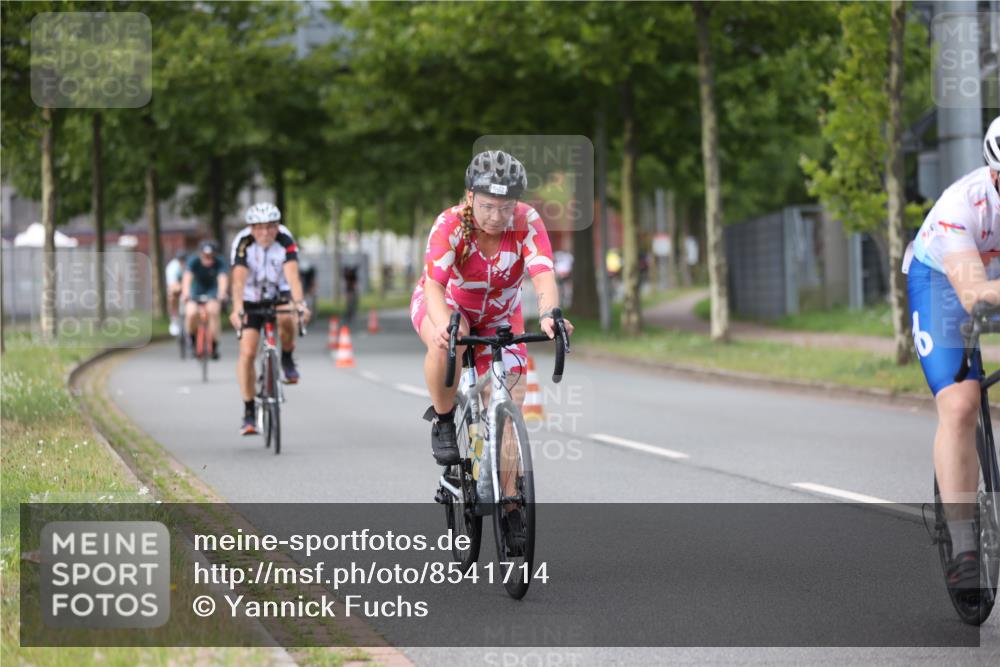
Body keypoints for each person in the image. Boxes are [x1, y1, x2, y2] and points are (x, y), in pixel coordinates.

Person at [411, 149, 574, 468]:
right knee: (446, 343)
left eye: (506, 208)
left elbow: (542, 274)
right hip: (447, 305)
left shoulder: (528, 221)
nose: (497, 217)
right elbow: (434, 286)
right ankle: (443, 420)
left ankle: (511, 504)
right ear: (470, 197)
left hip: (501, 316)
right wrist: (445, 324)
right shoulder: (450, 224)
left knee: (509, 412)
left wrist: (548, 315)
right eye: (487, 206)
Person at [905, 116, 1000, 591]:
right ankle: (964, 543)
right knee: (961, 406)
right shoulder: (961, 207)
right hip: (945, 285)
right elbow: (977, 299)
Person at [228, 202, 312, 435]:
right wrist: (236, 309)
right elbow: (238, 280)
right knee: (247, 352)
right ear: (251, 228)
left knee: (288, 318)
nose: (265, 232)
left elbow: (293, 277)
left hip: (279, 291)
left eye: (270, 227)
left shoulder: (285, 239)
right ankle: (248, 411)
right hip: (250, 296)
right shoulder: (243, 242)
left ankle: (286, 358)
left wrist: (300, 304)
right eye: (259, 227)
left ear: (277, 226)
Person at [180, 240, 228, 360]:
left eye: (210, 256)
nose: (208, 259)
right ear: (200, 254)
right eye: (205, 256)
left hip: (213, 290)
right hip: (196, 290)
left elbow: (223, 278)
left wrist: (222, 294)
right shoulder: (193, 261)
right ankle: (192, 340)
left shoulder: (220, 262)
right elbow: (187, 277)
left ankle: (214, 344)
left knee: (213, 311)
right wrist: (185, 293)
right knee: (191, 313)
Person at [165, 249, 187, 336]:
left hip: (189, 288)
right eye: (180, 260)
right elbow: (173, 285)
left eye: (183, 260)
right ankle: (174, 320)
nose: (182, 262)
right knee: (171, 296)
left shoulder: (189, 265)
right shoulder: (172, 267)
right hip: (177, 288)